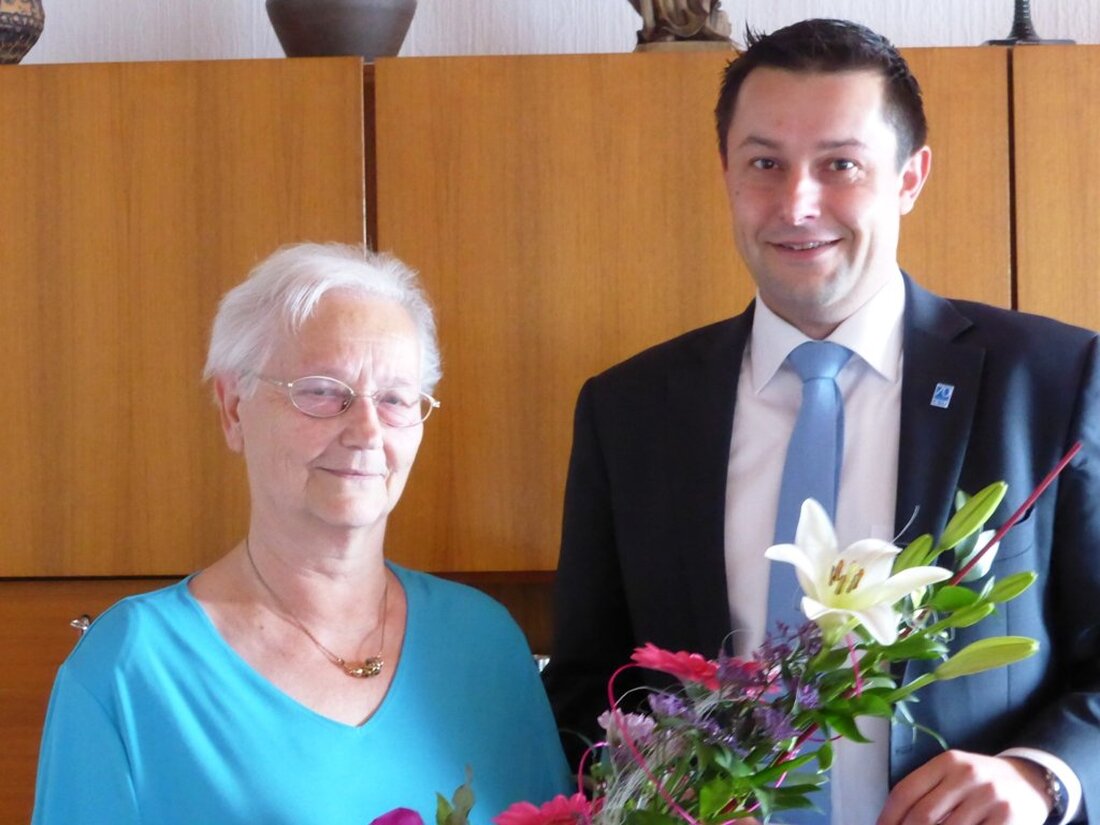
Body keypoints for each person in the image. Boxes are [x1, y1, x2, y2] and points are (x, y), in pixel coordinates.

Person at [542, 19, 1099, 825]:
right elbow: (588, 685)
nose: (797, 204)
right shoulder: (628, 410)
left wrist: (1039, 775)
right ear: (727, 173)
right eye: (765, 163)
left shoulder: (1053, 380)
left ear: (910, 177)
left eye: (841, 165)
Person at [32, 243, 570, 824]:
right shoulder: (131, 666)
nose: (366, 430)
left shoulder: (485, 641)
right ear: (232, 407)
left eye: (394, 399)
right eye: (321, 391)